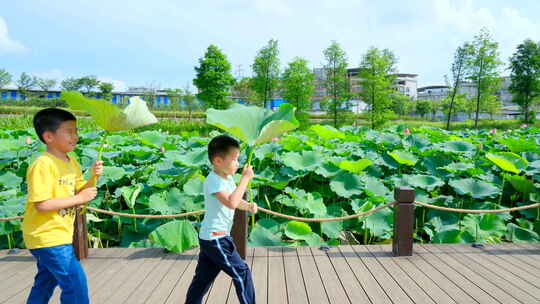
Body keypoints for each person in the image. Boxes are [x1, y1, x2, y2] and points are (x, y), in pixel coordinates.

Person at [22, 108, 103, 304]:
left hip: (59, 234)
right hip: (46, 235)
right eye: (69, 131)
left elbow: (80, 192)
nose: (75, 136)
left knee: (45, 283)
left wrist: (93, 176)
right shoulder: (43, 164)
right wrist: (79, 198)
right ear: (48, 136)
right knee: (75, 284)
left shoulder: (71, 161)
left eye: (76, 131)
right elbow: (42, 204)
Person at [185, 135, 257, 304]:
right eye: (234, 159)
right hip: (216, 239)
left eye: (238, 158)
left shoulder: (227, 178)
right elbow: (231, 202)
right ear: (217, 160)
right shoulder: (213, 180)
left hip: (214, 237)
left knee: (202, 279)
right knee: (242, 272)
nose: (237, 163)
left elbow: (235, 200)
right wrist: (245, 179)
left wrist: (247, 206)